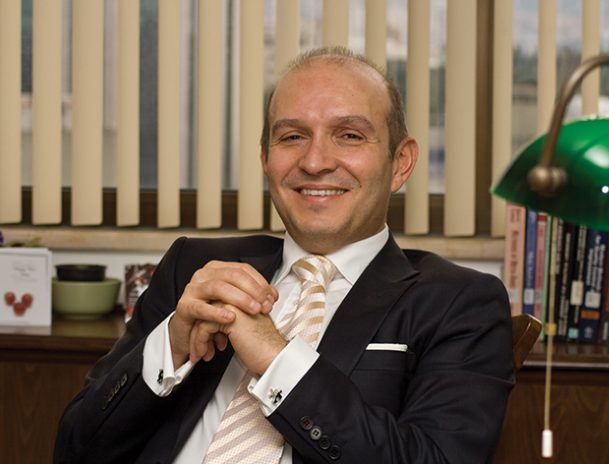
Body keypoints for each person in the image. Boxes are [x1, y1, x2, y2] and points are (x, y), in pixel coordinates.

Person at [54, 46, 514, 464]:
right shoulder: (193, 268)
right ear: (265, 158)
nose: (314, 162)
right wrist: (169, 347)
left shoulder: (459, 302)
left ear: (401, 162)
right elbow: (75, 451)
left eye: (349, 135)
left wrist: (277, 360)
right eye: (292, 137)